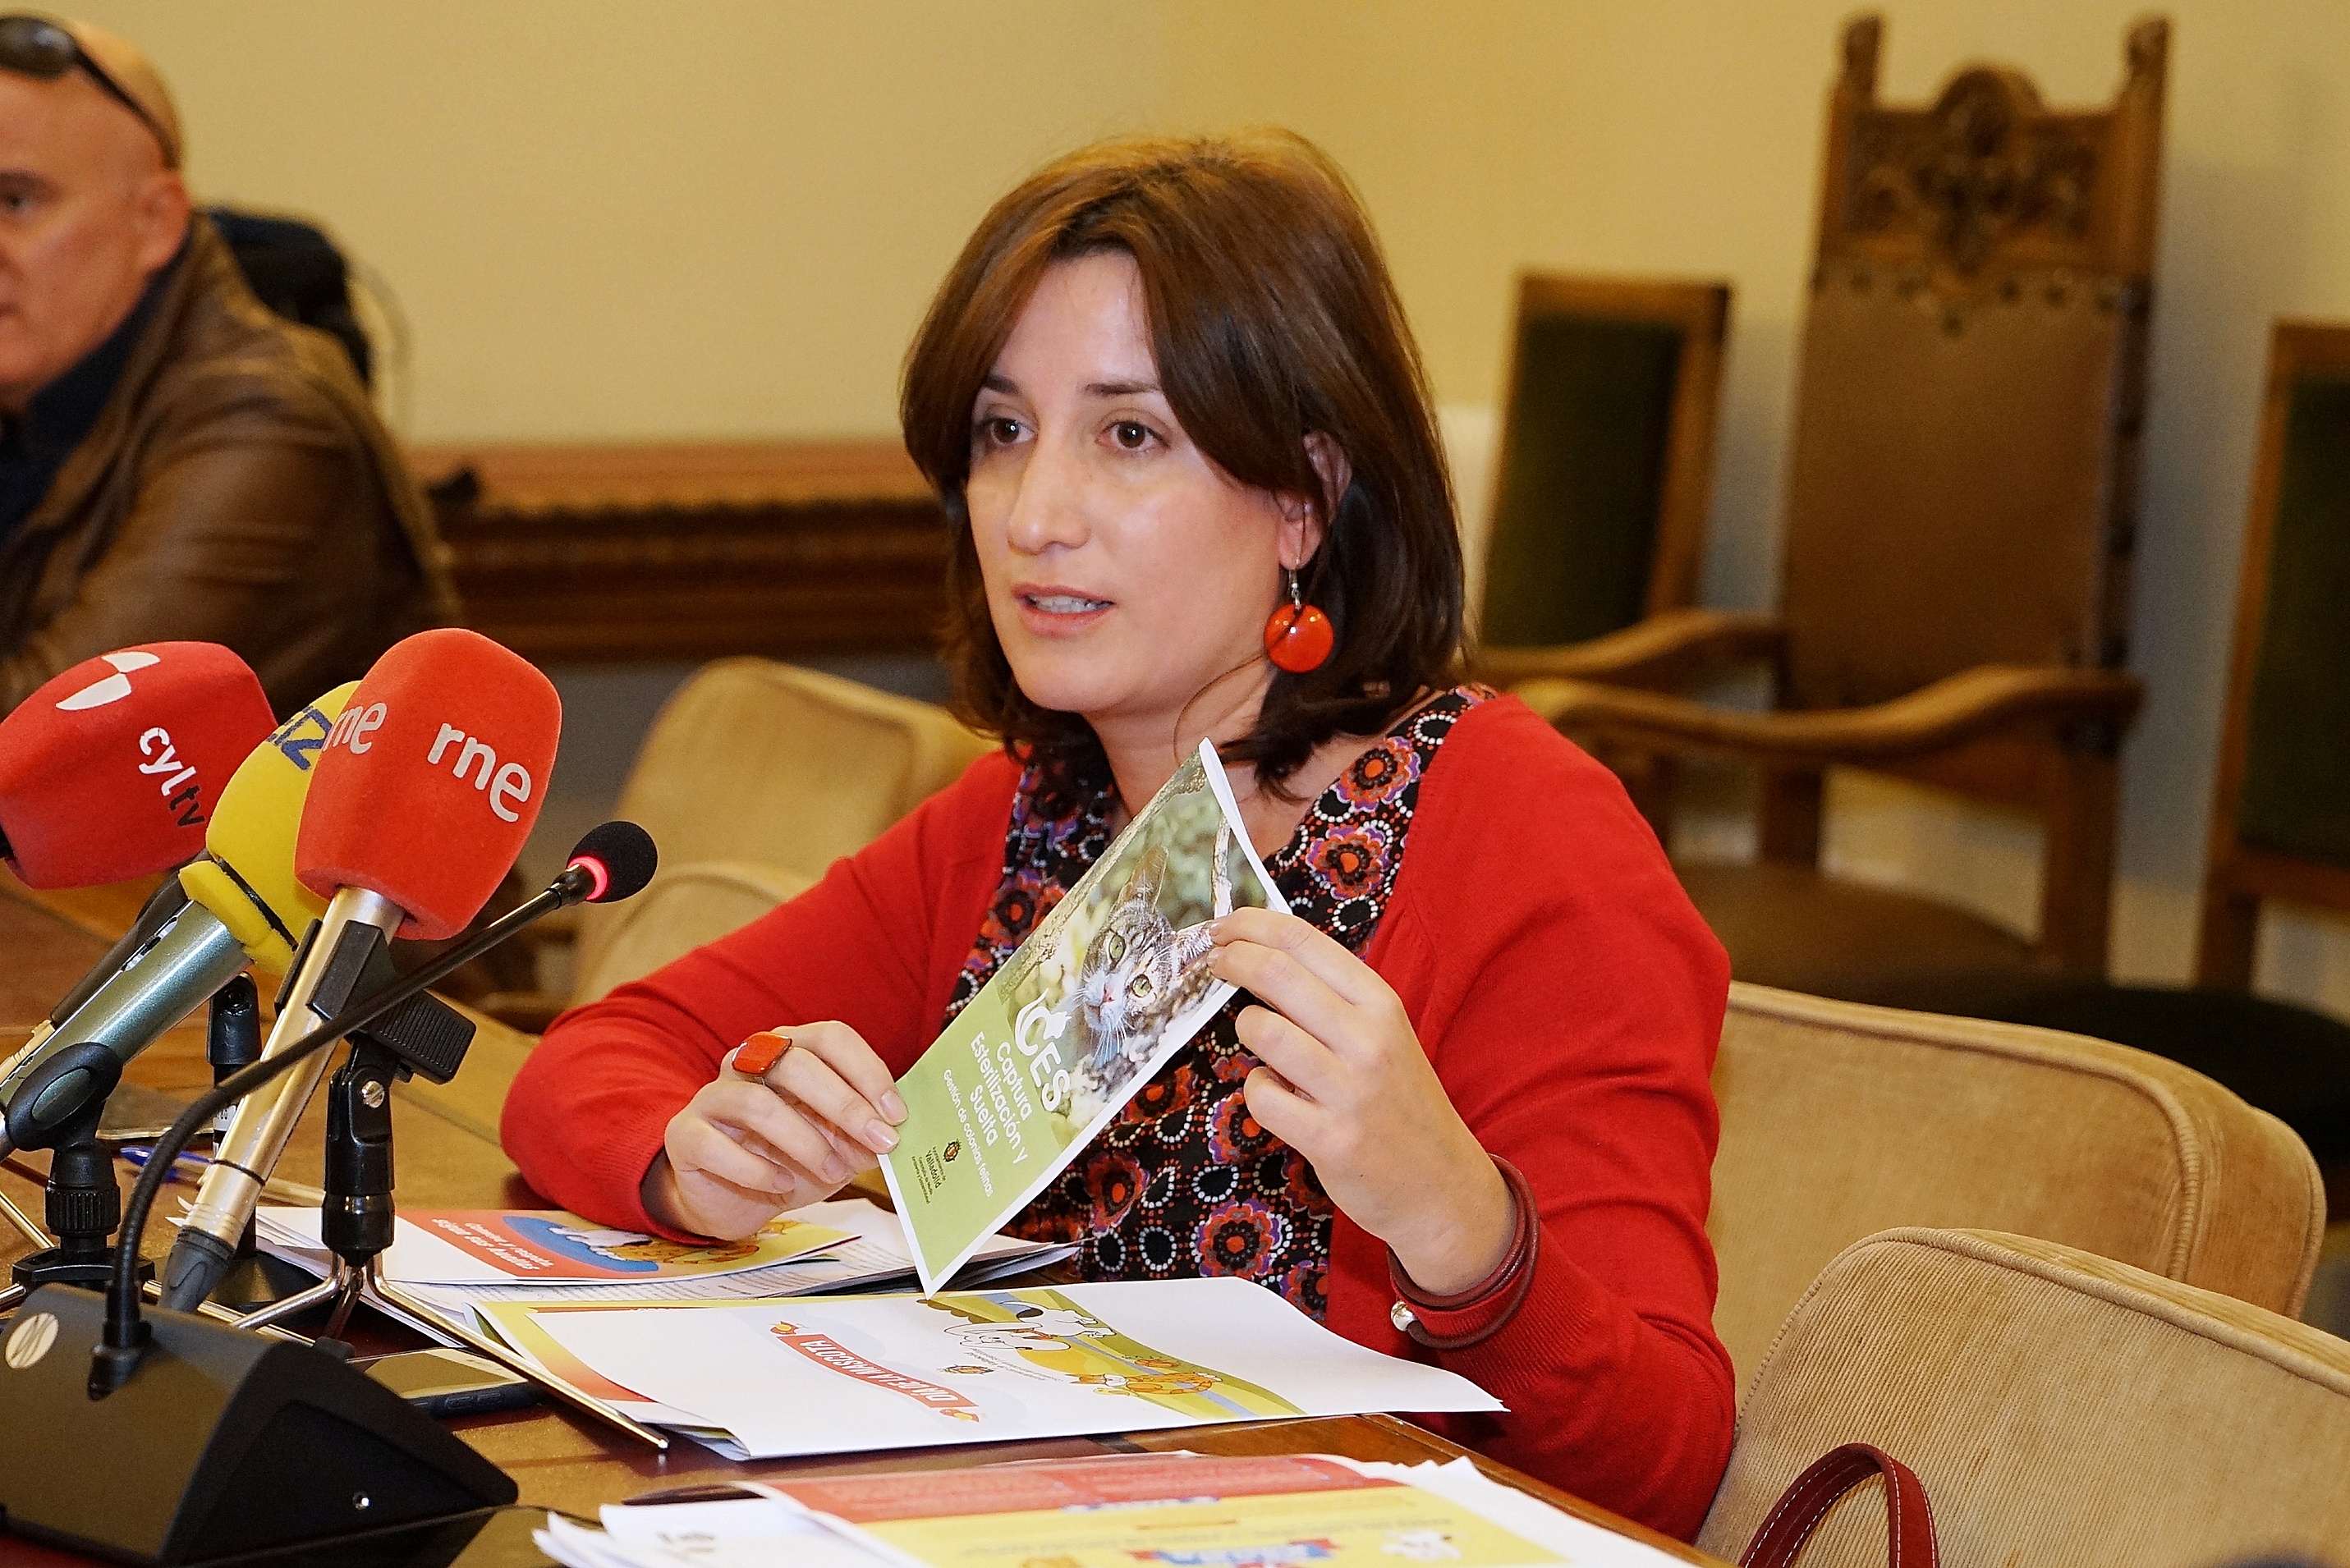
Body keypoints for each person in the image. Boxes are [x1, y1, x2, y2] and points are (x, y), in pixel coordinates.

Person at [504, 131, 1733, 1537]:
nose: (1034, 517)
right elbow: (596, 1057)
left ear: (1303, 497)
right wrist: (692, 1155)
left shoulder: (1525, 833)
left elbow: (1667, 1472)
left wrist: (1458, 1221)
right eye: (1002, 432)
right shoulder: (1028, 815)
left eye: (1129, 435)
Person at [0, 16, 452, 716]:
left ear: (155, 222)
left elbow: (58, 731)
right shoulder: (35, 392)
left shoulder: (270, 417)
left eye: (17, 201)